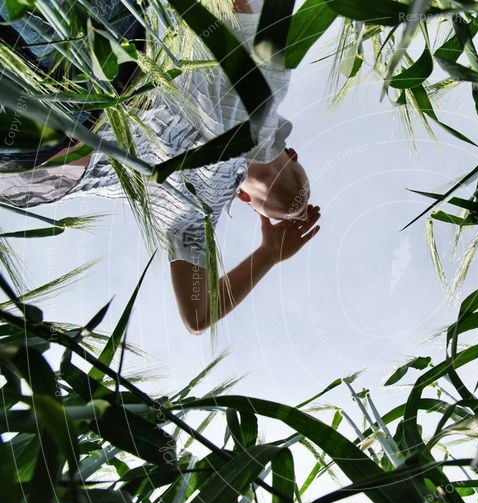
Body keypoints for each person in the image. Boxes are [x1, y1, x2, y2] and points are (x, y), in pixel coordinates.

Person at [0, 0, 321, 334]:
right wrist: (269, 253)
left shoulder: (269, 81)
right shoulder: (196, 212)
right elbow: (199, 317)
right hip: (35, 163)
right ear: (244, 200)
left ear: (294, 154)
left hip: (100, 57)